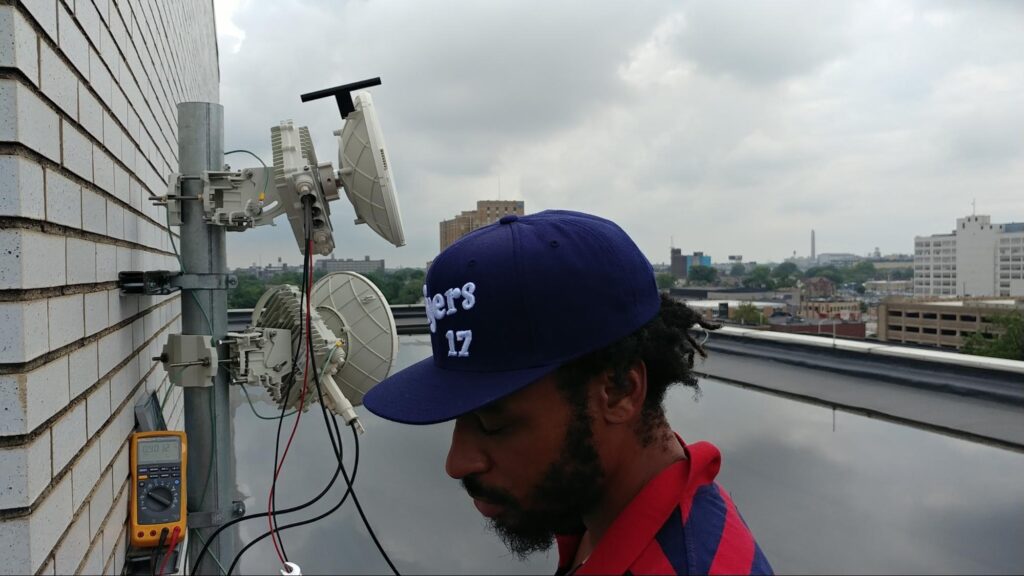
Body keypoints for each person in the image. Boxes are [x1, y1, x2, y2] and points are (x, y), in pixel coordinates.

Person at [363, 210, 773, 575]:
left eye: (494, 422)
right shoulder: (602, 515)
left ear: (618, 391)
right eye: (459, 413)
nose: (456, 462)